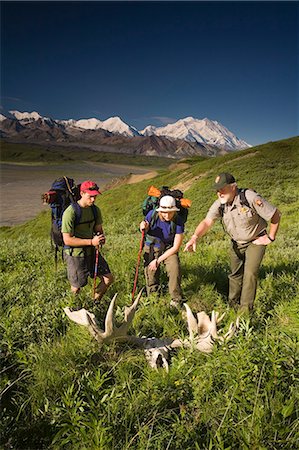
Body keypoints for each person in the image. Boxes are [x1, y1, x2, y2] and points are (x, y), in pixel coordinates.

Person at [184, 173, 281, 312]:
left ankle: (245, 312)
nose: (219, 193)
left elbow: (275, 214)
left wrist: (271, 237)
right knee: (235, 274)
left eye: (222, 189)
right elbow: (207, 221)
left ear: (233, 187)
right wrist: (194, 237)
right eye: (217, 190)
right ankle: (232, 305)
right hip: (236, 242)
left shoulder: (250, 198)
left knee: (250, 274)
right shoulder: (220, 204)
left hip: (255, 241)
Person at [62, 180, 113, 300]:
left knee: (108, 278)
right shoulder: (70, 213)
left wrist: (101, 237)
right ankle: (73, 308)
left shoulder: (95, 210)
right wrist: (91, 242)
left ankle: (94, 301)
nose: (93, 199)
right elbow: (67, 240)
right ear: (82, 193)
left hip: (92, 251)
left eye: (95, 196)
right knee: (76, 287)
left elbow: (98, 229)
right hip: (75, 254)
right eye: (91, 196)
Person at [139, 195, 185, 309]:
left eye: (170, 212)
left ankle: (176, 299)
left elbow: (176, 247)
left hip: (169, 248)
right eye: (164, 212)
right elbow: (145, 227)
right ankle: (153, 297)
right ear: (160, 210)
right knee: (151, 272)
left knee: (175, 268)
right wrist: (142, 227)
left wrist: (158, 260)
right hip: (153, 245)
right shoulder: (152, 215)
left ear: (174, 211)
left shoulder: (178, 221)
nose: (167, 215)